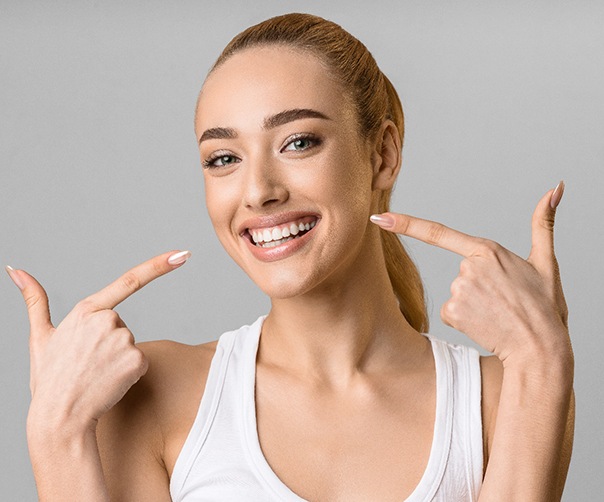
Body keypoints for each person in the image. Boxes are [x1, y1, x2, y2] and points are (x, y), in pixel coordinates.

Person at [6, 12, 574, 502]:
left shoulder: (501, 395)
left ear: (382, 153)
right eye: (223, 158)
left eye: (298, 142)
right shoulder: (154, 395)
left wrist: (543, 357)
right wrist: (56, 434)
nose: (257, 191)